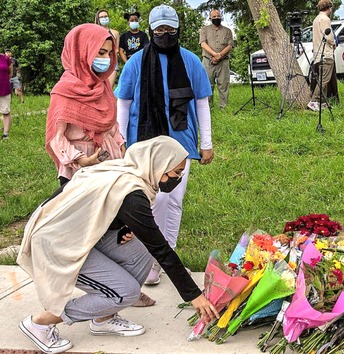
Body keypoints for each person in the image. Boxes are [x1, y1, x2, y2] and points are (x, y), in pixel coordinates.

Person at [17, 136, 218, 354]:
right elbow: (162, 250)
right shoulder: (131, 192)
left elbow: (99, 208)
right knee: (125, 293)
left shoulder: (130, 171)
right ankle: (41, 323)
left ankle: (104, 318)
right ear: (158, 165)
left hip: (80, 234)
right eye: (177, 172)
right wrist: (194, 295)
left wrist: (123, 224)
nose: (178, 178)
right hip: (56, 243)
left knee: (141, 255)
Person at [116, 4, 214, 285]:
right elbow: (123, 104)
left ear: (178, 30)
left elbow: (202, 103)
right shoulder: (135, 63)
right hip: (143, 146)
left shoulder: (191, 61)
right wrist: (121, 142)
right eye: (159, 29)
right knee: (151, 200)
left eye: (170, 29)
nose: (165, 34)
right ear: (151, 30)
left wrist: (206, 143)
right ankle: (149, 259)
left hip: (180, 145)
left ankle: (165, 255)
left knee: (173, 200)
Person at [45, 24, 126, 187]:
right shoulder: (64, 91)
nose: (107, 59)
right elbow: (56, 137)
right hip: (77, 168)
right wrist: (83, 160)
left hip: (108, 162)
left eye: (110, 54)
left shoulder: (103, 86)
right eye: (101, 53)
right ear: (82, 51)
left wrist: (121, 144)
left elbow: (111, 123)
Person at [199, 9, 234, 110]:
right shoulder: (204, 30)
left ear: (221, 17)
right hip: (208, 61)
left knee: (223, 85)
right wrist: (214, 54)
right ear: (210, 18)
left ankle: (224, 108)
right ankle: (208, 108)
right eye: (214, 16)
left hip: (223, 62)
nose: (216, 18)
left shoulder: (227, 31)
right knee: (207, 85)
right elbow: (203, 43)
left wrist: (220, 56)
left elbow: (230, 45)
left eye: (218, 16)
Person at [307, 0, 336, 111]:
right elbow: (328, 35)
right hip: (326, 53)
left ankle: (322, 102)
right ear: (329, 8)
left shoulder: (316, 19)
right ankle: (314, 101)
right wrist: (333, 43)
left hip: (318, 53)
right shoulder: (325, 19)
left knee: (322, 78)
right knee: (324, 79)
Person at [95, 9, 120, 87]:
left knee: (109, 87)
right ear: (98, 19)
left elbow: (117, 49)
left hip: (112, 62)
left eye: (105, 16)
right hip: (98, 62)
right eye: (101, 17)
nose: (104, 18)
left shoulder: (115, 33)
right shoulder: (94, 32)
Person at [0, 49, 12, 139]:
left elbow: (10, 72)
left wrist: (5, 80)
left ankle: (5, 134)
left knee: (5, 111)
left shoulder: (5, 58)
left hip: (4, 89)